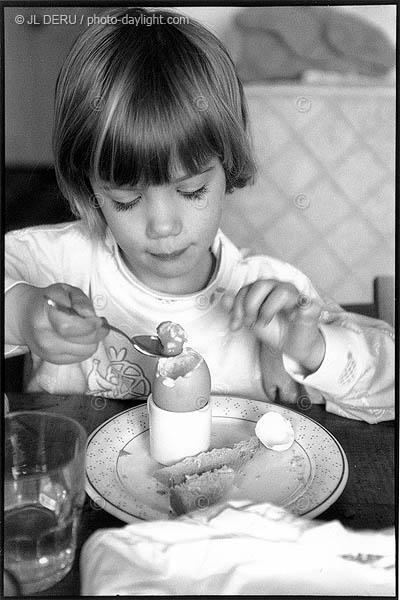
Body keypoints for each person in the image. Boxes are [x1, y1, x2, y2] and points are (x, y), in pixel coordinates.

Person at [5, 7, 394, 423]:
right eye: (125, 199)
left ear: (228, 169)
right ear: (89, 188)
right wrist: (21, 313)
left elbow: (387, 388)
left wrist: (312, 347)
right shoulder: (57, 264)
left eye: (191, 190)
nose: (163, 226)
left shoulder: (270, 296)